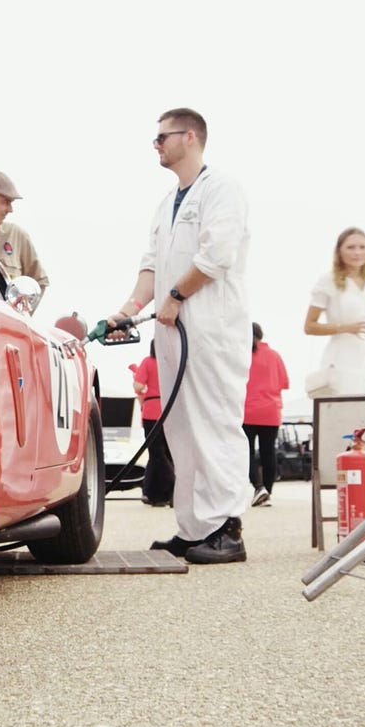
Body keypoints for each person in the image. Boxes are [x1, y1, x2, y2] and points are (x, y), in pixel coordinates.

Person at [107, 107, 251, 564]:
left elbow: (218, 254)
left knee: (214, 423)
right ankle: (194, 529)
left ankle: (227, 528)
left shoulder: (221, 188)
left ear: (190, 137)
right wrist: (129, 310)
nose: (156, 145)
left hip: (210, 328)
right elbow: (151, 263)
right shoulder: (167, 201)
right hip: (172, 330)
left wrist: (175, 295)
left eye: (162, 137)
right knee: (180, 427)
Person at [303, 227, 365, 397]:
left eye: (362, 247)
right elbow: (309, 326)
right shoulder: (328, 280)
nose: (357, 252)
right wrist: (346, 328)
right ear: (339, 251)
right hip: (341, 361)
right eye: (351, 247)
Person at [243, 322, 289, 507]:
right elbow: (284, 383)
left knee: (246, 452)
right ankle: (267, 492)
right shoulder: (274, 356)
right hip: (270, 411)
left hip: (247, 411)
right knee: (268, 452)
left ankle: (258, 487)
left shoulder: (242, 355)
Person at [129, 341, 174, 508]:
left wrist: (144, 389)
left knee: (156, 452)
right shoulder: (171, 364)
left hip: (152, 410)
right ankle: (153, 493)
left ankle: (172, 484)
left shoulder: (148, 362)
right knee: (166, 452)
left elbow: (138, 386)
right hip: (170, 410)